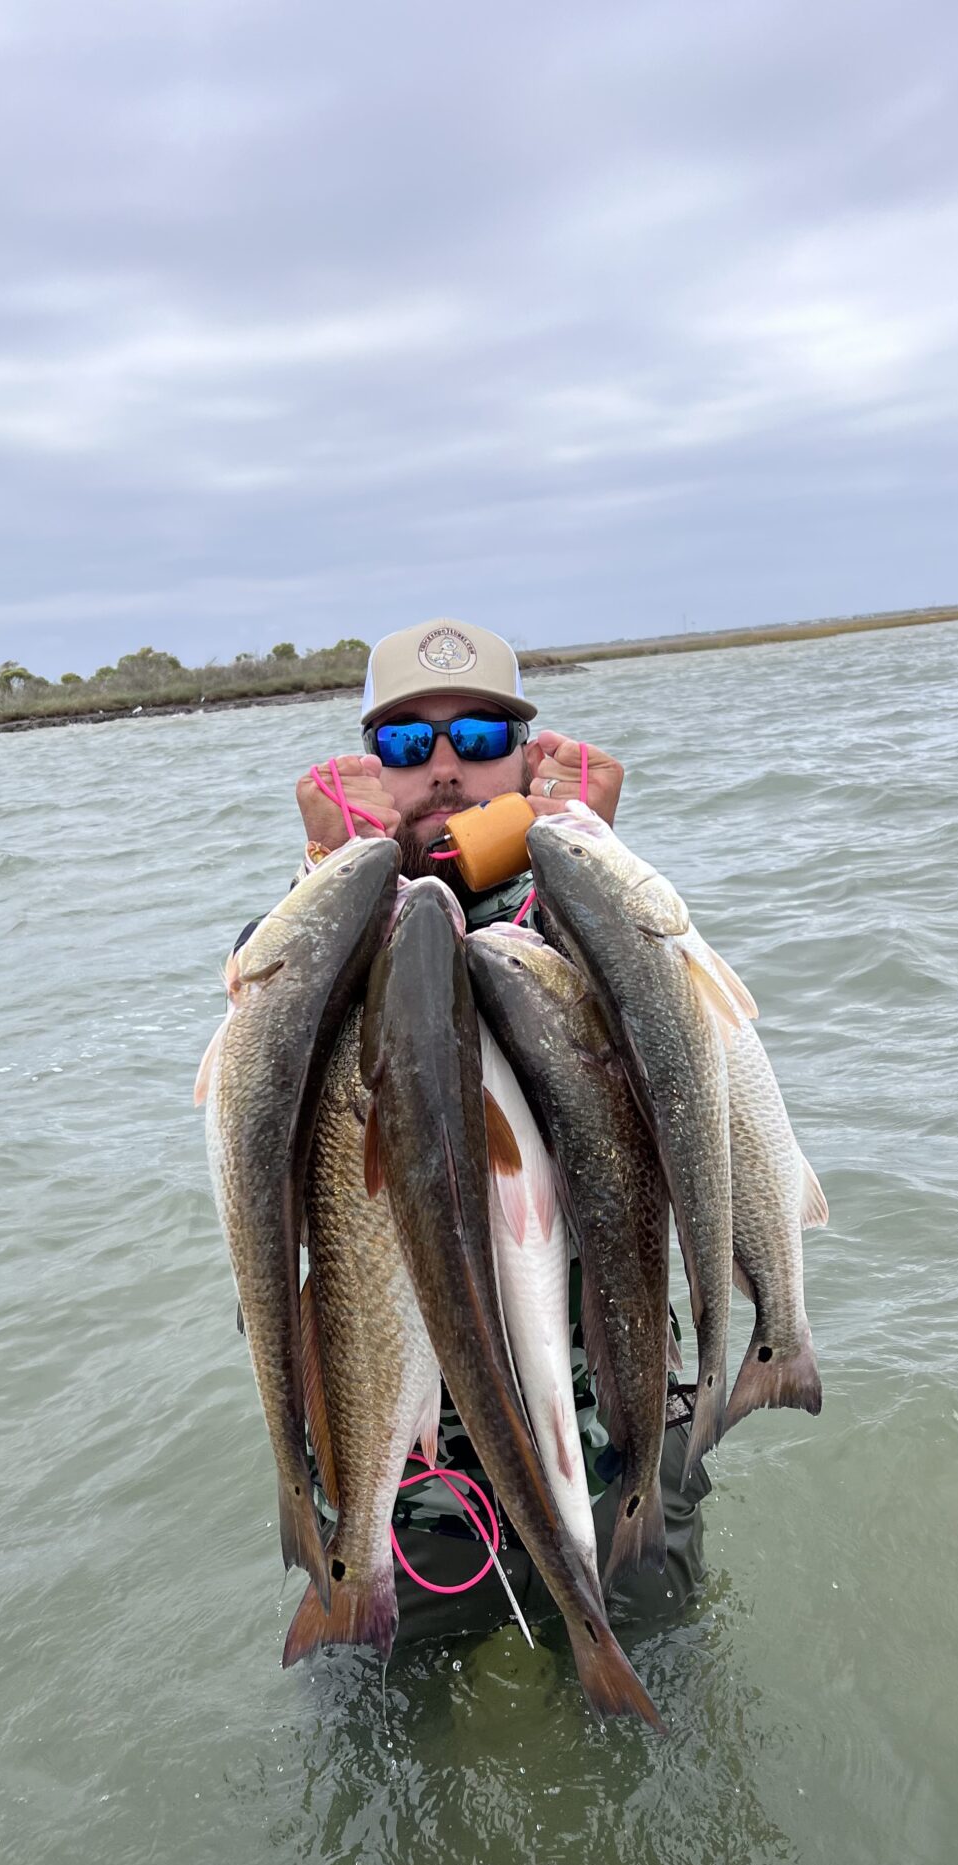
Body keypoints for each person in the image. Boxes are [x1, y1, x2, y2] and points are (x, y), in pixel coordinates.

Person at [285, 618, 710, 1640]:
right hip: (418, 1465)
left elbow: (686, 1095)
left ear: (526, 755)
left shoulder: (595, 909)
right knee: (385, 1708)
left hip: (611, 1423)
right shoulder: (306, 937)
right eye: (403, 745)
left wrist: (590, 868)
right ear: (367, 769)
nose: (443, 769)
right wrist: (328, 881)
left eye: (477, 738)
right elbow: (279, 1139)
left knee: (659, 1679)